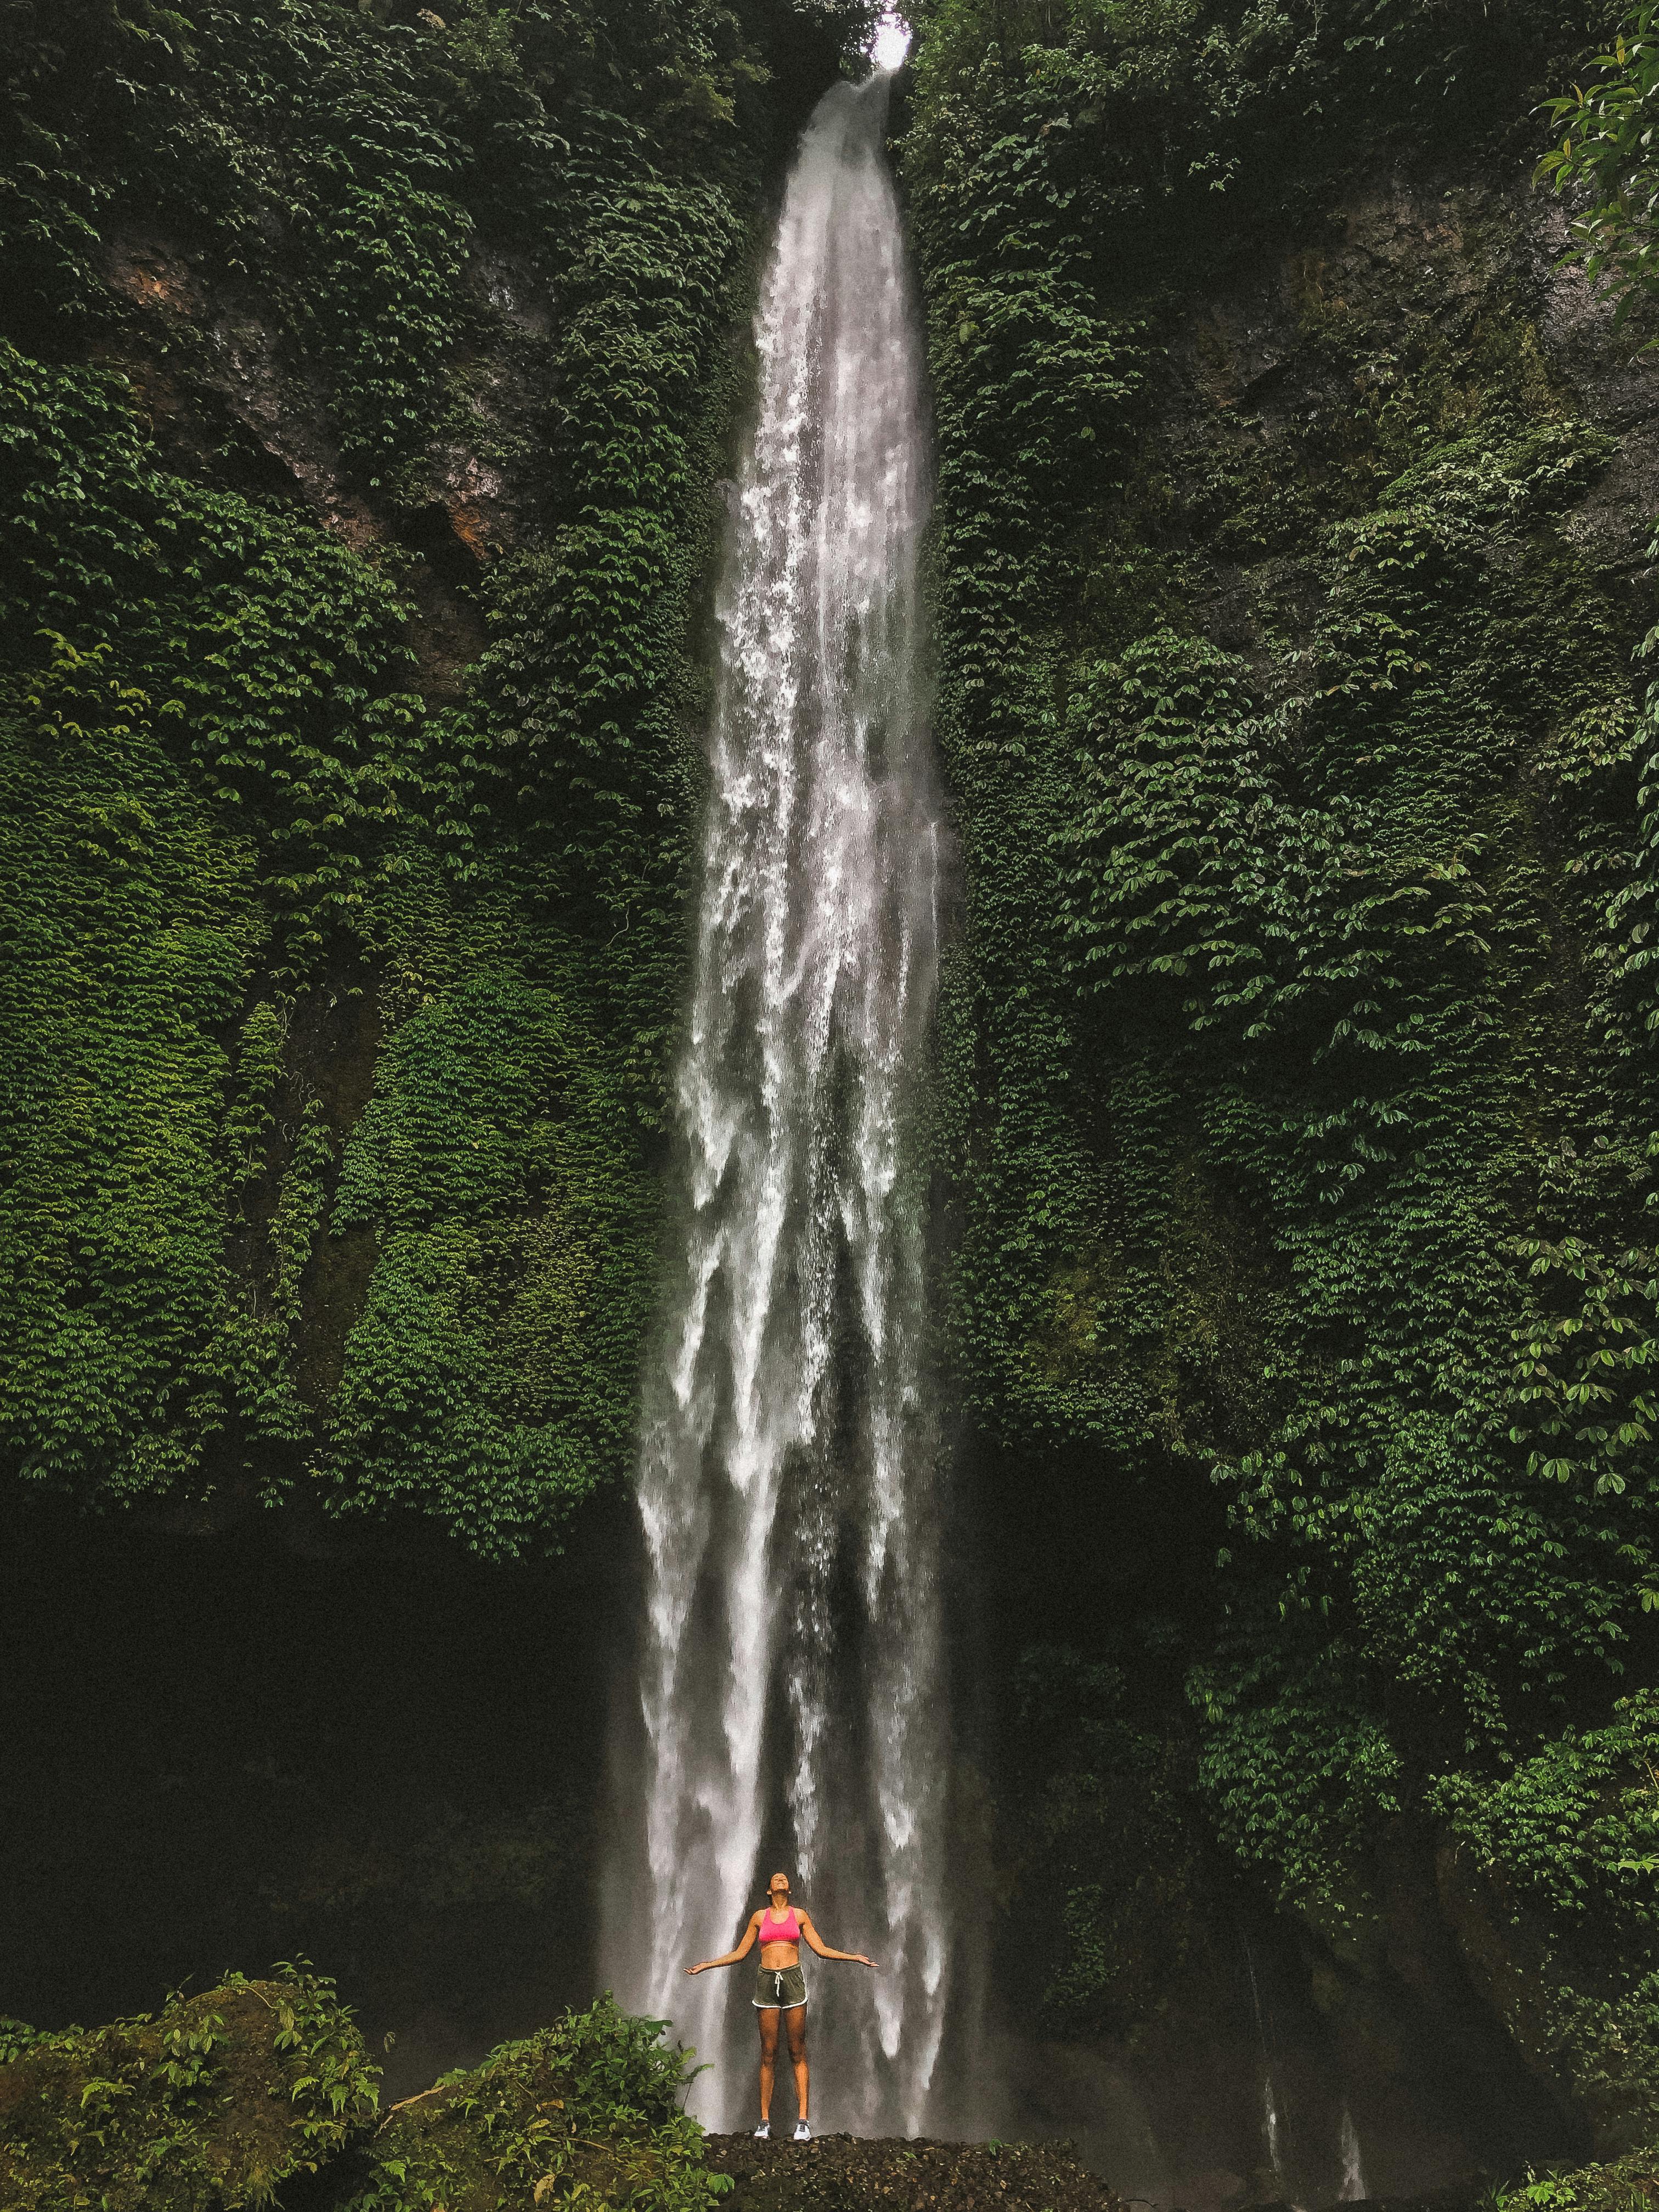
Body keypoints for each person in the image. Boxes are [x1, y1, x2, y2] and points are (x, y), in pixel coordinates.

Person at [685, 1870, 877, 2140]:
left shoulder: (799, 1916)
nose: (781, 1879)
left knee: (797, 2050)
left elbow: (821, 1949)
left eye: (785, 1879)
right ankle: (764, 2121)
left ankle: (803, 2122)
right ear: (768, 1891)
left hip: (792, 1979)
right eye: (776, 1878)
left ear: (790, 1890)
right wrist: (707, 1965)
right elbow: (741, 1953)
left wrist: (855, 1957)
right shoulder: (758, 1918)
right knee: (768, 2052)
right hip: (766, 1981)